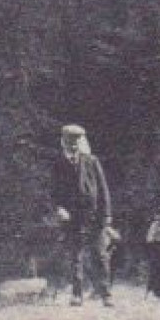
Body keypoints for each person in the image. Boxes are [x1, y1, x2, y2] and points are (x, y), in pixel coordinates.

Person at [50, 124, 114, 307]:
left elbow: (103, 190)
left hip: (94, 216)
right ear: (63, 142)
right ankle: (77, 294)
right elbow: (53, 192)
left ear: (82, 142)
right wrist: (59, 208)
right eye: (70, 142)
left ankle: (106, 294)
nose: (73, 146)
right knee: (75, 257)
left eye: (77, 142)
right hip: (72, 218)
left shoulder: (92, 161)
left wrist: (107, 214)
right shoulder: (58, 165)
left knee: (100, 256)